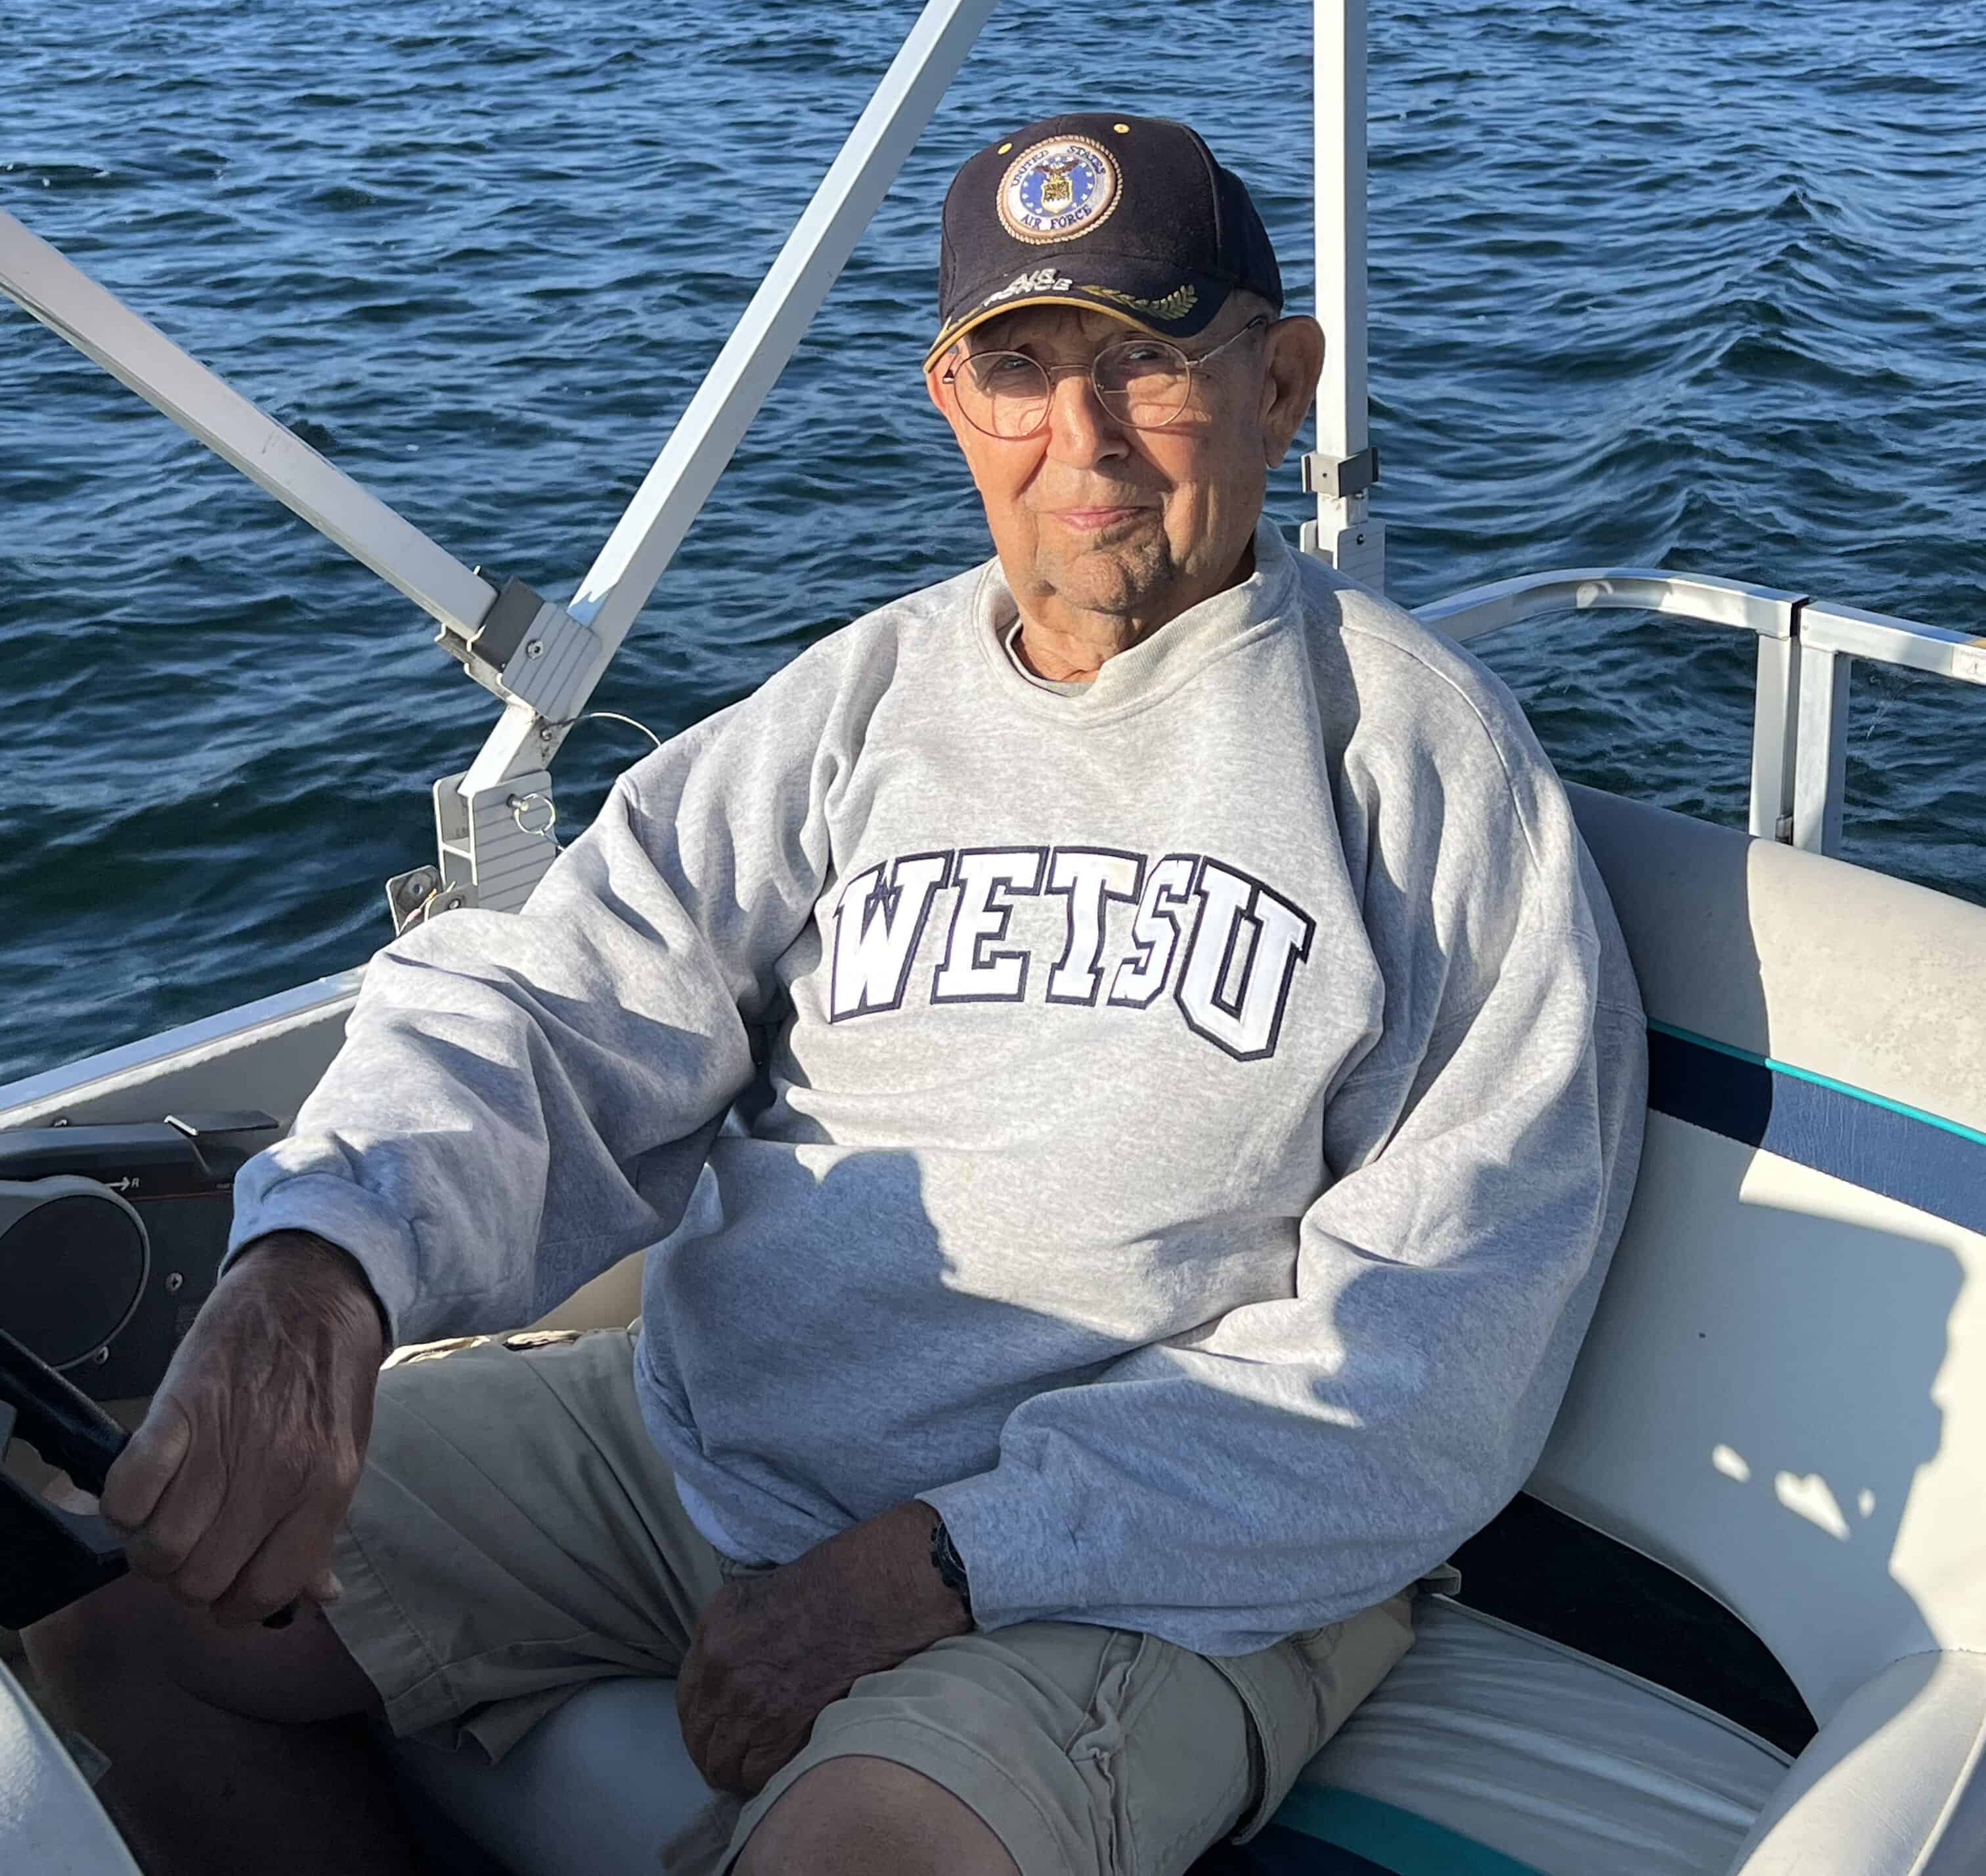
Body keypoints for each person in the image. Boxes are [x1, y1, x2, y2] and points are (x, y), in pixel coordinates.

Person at [29, 112, 1647, 1876]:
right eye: (1019, 370)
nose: (1082, 439)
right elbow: (553, 1009)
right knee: (116, 1628)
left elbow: (1431, 1354)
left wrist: (935, 1563)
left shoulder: (1417, 765)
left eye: (1152, 363)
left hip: (1150, 1558)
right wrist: (321, 1263)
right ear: (952, 405)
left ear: (1281, 383)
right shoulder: (855, 708)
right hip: (703, 1449)